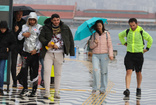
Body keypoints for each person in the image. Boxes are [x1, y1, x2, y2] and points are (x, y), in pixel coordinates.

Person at [39, 13, 75, 99]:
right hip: (48, 53)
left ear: (60, 19)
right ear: (51, 20)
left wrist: (71, 52)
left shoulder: (65, 27)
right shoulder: (46, 27)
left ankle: (56, 92)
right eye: (54, 20)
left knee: (58, 73)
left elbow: (70, 39)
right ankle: (47, 92)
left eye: (57, 20)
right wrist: (47, 43)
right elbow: (41, 37)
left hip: (59, 53)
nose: (56, 22)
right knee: (46, 71)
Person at [118, 18, 153, 98]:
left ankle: (138, 88)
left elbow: (150, 39)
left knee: (138, 72)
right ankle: (127, 90)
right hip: (129, 54)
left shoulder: (141, 31)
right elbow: (120, 35)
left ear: (137, 24)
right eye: (130, 25)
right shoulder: (127, 31)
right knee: (128, 71)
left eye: (133, 25)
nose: (132, 27)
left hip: (139, 55)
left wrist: (147, 48)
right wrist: (124, 43)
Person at [18, 12, 42, 96]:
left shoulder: (39, 28)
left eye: (33, 20)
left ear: (35, 20)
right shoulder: (24, 27)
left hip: (35, 53)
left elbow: (40, 40)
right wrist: (23, 34)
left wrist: (36, 49)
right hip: (25, 52)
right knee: (24, 71)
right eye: (30, 20)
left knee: (34, 71)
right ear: (28, 20)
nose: (32, 21)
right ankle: (25, 88)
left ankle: (34, 89)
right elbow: (19, 37)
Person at [90, 20, 113, 94]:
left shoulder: (107, 34)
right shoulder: (93, 35)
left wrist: (111, 54)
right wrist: (95, 43)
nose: (99, 27)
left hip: (104, 55)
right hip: (95, 55)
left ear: (102, 26)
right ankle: (95, 87)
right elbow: (91, 46)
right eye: (97, 26)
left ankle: (103, 88)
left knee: (104, 72)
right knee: (95, 70)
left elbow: (110, 46)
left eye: (100, 26)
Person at [0, 21, 16, 95]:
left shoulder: (10, 34)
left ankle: (0, 88)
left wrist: (9, 48)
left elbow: (14, 43)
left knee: (1, 72)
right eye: (1, 29)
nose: (2, 30)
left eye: (4, 29)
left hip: (3, 54)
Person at [11, 11, 26, 87]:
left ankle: (19, 77)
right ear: (15, 14)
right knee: (13, 64)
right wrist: (15, 31)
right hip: (14, 45)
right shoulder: (12, 21)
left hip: (22, 45)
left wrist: (19, 30)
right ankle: (14, 81)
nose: (19, 16)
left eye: (21, 14)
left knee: (25, 62)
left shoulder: (24, 22)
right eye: (18, 14)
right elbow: (9, 34)